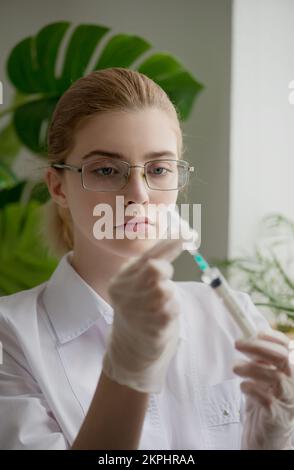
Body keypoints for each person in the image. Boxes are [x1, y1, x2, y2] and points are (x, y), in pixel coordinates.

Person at [0, 68, 293, 450]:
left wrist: (273, 442)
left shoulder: (230, 315)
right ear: (58, 187)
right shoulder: (11, 336)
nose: (138, 194)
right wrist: (127, 370)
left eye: (158, 169)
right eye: (106, 170)